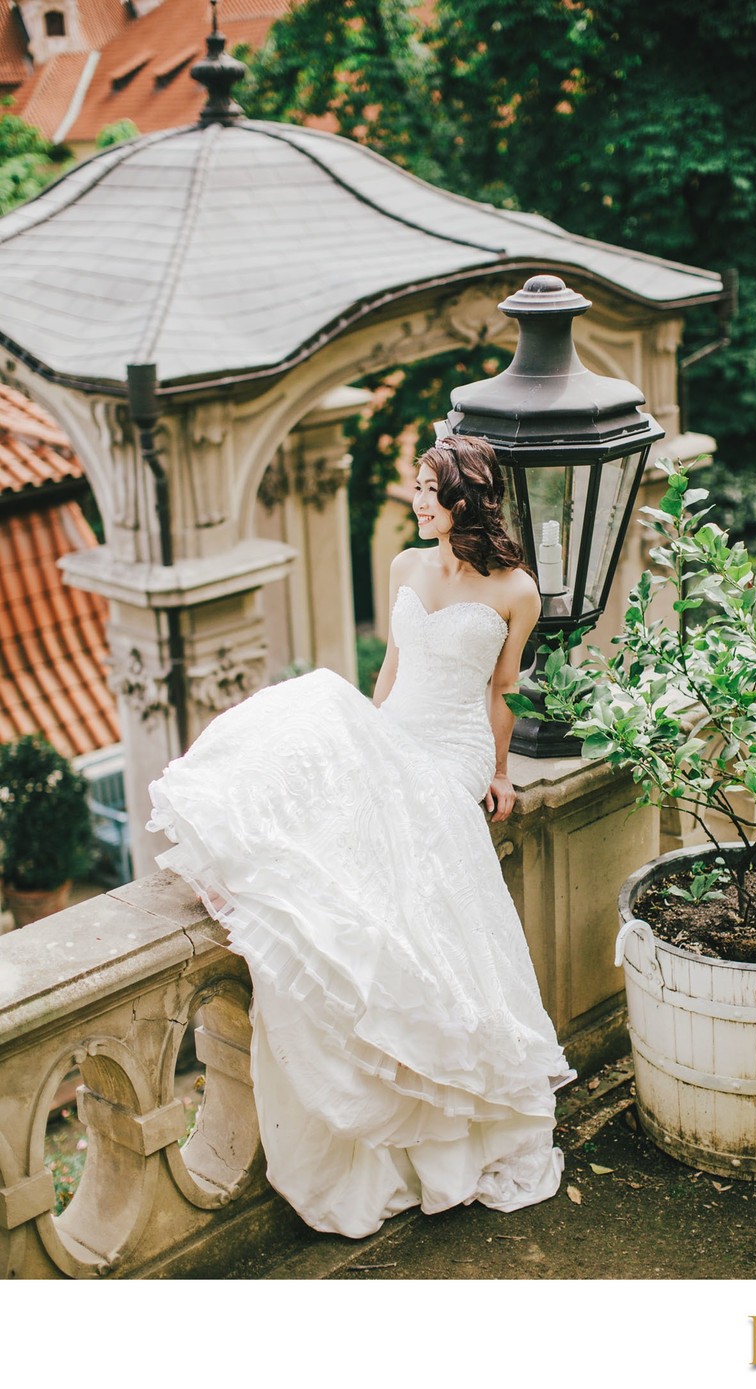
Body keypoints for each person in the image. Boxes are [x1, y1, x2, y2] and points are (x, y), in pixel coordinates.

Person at [147, 434, 576, 1240]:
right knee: (317, 703)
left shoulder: (517, 588)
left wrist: (499, 770)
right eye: (415, 485)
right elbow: (388, 670)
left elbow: (500, 689)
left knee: (410, 889)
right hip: (399, 730)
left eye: (431, 488)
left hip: (452, 753)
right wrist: (366, 742)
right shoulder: (404, 568)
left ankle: (433, 1118)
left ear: (468, 498)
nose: (417, 500)